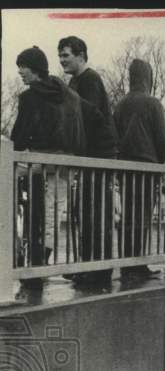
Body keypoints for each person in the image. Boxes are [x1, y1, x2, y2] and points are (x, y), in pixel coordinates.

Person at [11, 46, 85, 267]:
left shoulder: (30, 96)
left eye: (22, 67)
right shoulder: (69, 94)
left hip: (41, 159)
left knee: (5, 173)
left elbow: (20, 136)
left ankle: (15, 245)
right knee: (54, 211)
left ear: (35, 68)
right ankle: (42, 257)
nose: (20, 72)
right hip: (67, 162)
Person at [58, 36, 117, 283]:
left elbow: (91, 114)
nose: (61, 60)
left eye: (66, 55)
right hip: (90, 156)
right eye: (60, 55)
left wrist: (65, 94)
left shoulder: (90, 79)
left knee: (95, 212)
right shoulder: (76, 81)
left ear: (81, 55)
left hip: (99, 155)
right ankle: (89, 266)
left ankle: (99, 270)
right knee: (86, 211)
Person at [113, 58, 165, 279]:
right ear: (148, 77)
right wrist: (159, 161)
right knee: (143, 216)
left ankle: (127, 263)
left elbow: (114, 136)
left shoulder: (121, 104)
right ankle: (137, 264)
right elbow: (163, 139)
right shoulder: (153, 103)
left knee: (128, 215)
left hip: (126, 166)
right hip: (147, 165)